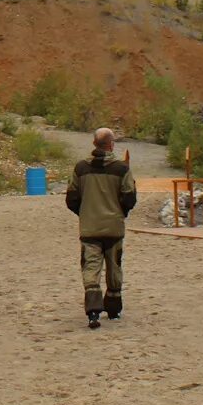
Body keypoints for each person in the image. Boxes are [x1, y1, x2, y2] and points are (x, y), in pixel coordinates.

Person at [64, 127, 137, 329]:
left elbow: (71, 198)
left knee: (90, 269)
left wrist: (85, 213)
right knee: (114, 268)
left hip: (89, 228)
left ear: (94, 144)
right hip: (114, 227)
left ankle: (93, 312)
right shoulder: (121, 169)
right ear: (111, 144)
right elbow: (130, 198)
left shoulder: (80, 168)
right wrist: (119, 212)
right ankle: (113, 309)